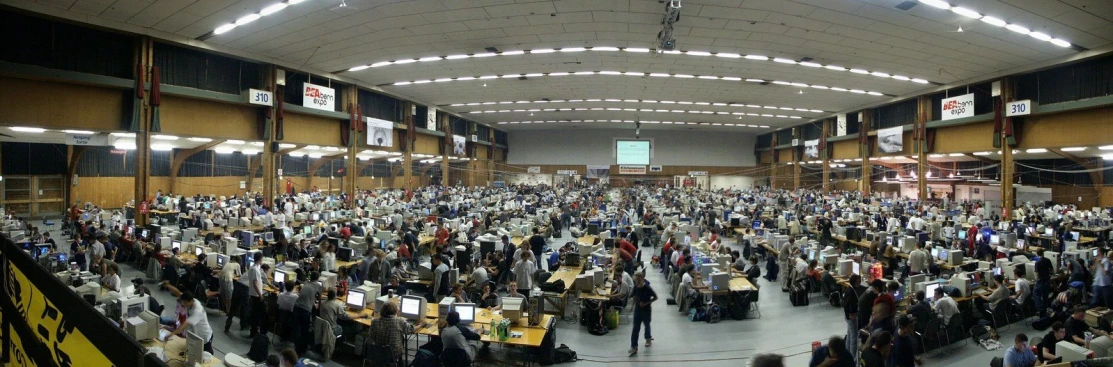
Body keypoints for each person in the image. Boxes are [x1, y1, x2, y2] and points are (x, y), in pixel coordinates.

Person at [293, 271, 321, 355]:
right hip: (305, 310)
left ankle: (296, 348)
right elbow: (319, 299)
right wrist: (318, 307)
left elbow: (308, 296)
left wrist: (312, 304)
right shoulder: (318, 285)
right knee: (305, 330)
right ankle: (303, 349)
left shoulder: (305, 283)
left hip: (297, 307)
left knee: (297, 329)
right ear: (317, 279)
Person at [628, 272, 656, 356]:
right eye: (636, 280)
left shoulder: (647, 288)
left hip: (646, 310)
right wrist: (633, 306)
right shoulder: (636, 287)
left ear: (642, 279)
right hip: (638, 310)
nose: (637, 281)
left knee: (647, 324)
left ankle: (648, 338)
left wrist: (646, 303)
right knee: (635, 328)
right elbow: (634, 296)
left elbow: (655, 297)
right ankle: (634, 346)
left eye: (638, 279)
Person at [842, 274, 866, 365]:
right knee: (854, 338)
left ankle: (847, 353)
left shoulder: (850, 289)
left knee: (849, 336)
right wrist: (849, 316)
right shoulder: (851, 292)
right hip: (851, 317)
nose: (859, 283)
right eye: (858, 281)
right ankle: (852, 359)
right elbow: (846, 305)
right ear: (853, 281)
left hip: (849, 316)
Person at [1035, 248, 1053, 317]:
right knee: (1045, 295)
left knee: (1036, 294)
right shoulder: (1048, 260)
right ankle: (1045, 310)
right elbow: (1051, 270)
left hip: (1040, 281)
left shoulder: (1037, 262)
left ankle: (1040, 309)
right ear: (1043, 253)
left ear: (1037, 254)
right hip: (1047, 280)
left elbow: (1037, 274)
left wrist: (1036, 280)